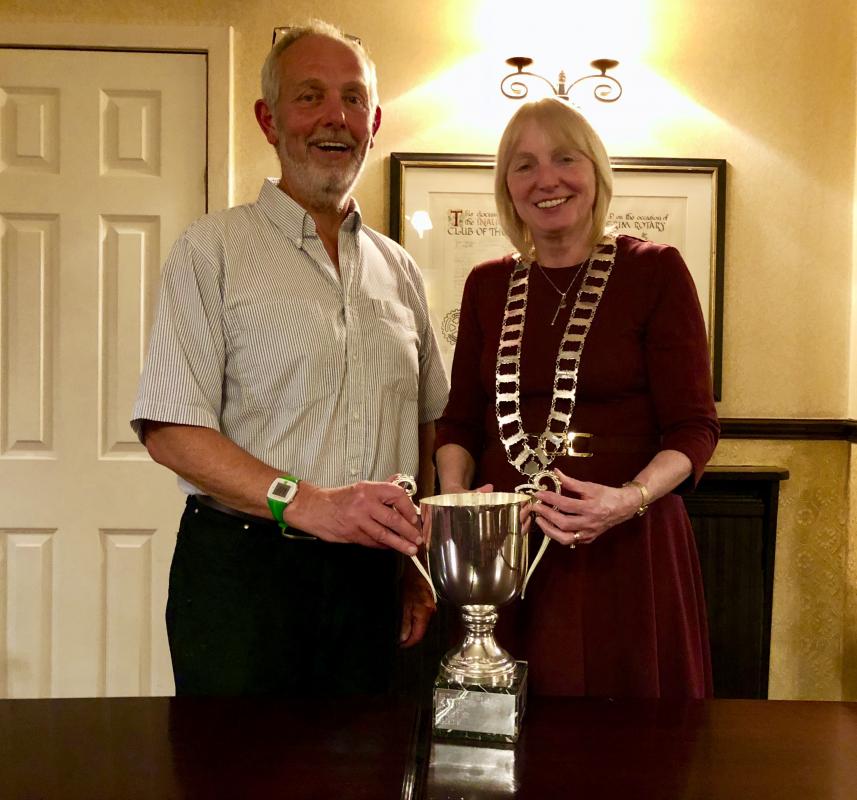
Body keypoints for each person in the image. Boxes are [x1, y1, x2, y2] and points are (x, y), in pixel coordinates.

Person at [131, 20, 448, 697]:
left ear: (375, 120)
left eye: (352, 99)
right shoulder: (210, 251)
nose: (335, 117)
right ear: (267, 119)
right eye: (309, 97)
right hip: (242, 577)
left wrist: (413, 563)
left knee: (368, 779)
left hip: (373, 582)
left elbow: (426, 427)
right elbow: (171, 431)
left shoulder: (401, 271)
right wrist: (306, 503)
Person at [434, 97, 719, 698]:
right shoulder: (486, 285)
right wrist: (463, 505)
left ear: (595, 172)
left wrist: (626, 500)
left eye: (565, 158)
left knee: (630, 746)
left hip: (628, 545)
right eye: (524, 165)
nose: (547, 179)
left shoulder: (656, 270)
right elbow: (459, 421)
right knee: (504, 745)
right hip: (507, 547)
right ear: (506, 187)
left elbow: (694, 429)